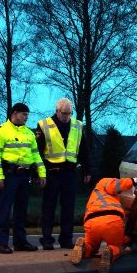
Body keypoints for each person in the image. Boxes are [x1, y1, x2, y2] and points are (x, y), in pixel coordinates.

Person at [0, 103, 47, 254]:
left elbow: (36, 155)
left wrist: (42, 173)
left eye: (27, 115)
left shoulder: (29, 133)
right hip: (9, 175)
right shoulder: (1, 130)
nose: (26, 117)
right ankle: (0, 244)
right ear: (14, 114)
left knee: (21, 210)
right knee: (4, 209)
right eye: (23, 114)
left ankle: (20, 242)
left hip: (24, 175)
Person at [36, 97, 91, 250]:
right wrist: (39, 173)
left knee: (68, 207)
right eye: (64, 113)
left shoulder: (78, 125)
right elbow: (38, 152)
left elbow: (84, 150)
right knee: (49, 207)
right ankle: (47, 239)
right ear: (57, 111)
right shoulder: (44, 125)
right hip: (51, 172)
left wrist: (87, 169)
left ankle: (66, 239)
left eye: (69, 113)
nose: (67, 117)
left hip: (69, 173)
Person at [70, 175, 137, 273]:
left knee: (91, 245)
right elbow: (116, 185)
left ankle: (84, 246)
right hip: (111, 221)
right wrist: (135, 180)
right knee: (116, 246)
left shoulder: (96, 196)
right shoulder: (105, 181)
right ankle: (110, 252)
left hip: (91, 222)